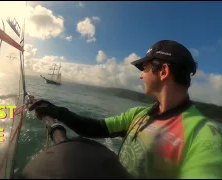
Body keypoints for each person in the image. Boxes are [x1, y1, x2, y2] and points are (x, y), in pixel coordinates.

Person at [28, 40, 222, 179]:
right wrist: (58, 112)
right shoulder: (139, 114)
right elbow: (96, 128)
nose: (140, 76)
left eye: (144, 68)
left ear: (163, 72)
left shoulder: (204, 135)